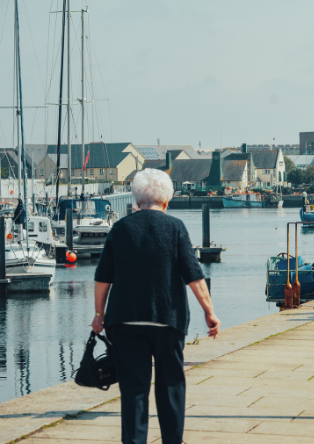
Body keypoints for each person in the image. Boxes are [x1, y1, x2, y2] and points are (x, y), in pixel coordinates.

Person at [90, 168, 221, 444]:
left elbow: (103, 278)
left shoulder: (120, 228)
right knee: (171, 384)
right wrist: (209, 312)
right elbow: (193, 275)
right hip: (167, 320)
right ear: (167, 200)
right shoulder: (175, 228)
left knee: (134, 389)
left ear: (135, 201)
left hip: (125, 322)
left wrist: (99, 314)